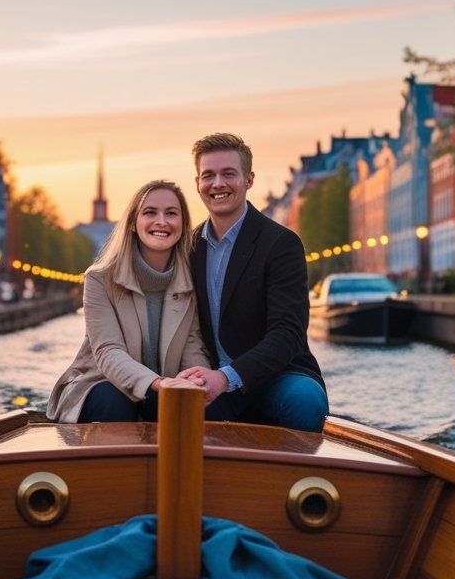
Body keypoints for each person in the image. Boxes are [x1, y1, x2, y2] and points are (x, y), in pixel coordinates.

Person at [176, 133, 328, 431]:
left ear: (249, 180)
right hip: (210, 378)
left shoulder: (281, 243)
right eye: (208, 175)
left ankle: (299, 478)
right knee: (164, 406)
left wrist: (229, 376)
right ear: (197, 184)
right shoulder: (188, 247)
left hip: (278, 376)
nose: (217, 184)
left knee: (304, 399)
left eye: (228, 174)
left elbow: (287, 333)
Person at [47, 179, 210, 423]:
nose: (161, 221)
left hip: (162, 386)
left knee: (202, 404)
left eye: (171, 214)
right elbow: (108, 351)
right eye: (150, 212)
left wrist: (196, 380)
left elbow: (192, 346)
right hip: (100, 385)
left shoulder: (190, 280)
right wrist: (159, 383)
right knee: (116, 400)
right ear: (134, 223)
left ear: (183, 224)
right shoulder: (100, 279)